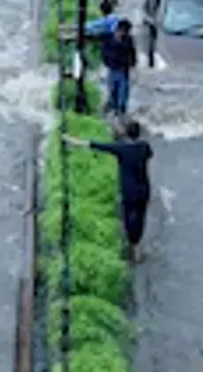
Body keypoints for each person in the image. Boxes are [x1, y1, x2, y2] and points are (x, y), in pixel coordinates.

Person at [65, 120, 154, 261]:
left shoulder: (121, 148)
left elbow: (96, 145)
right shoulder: (145, 147)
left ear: (126, 133)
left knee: (128, 215)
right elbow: (148, 167)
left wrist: (71, 140)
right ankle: (137, 244)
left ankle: (133, 245)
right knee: (141, 216)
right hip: (144, 187)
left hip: (128, 189)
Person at [99, 19, 137, 117]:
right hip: (112, 69)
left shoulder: (128, 40)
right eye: (121, 31)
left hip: (123, 71)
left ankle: (120, 112)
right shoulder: (109, 39)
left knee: (122, 95)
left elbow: (132, 55)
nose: (122, 34)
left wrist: (131, 67)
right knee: (112, 92)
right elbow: (104, 53)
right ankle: (113, 111)